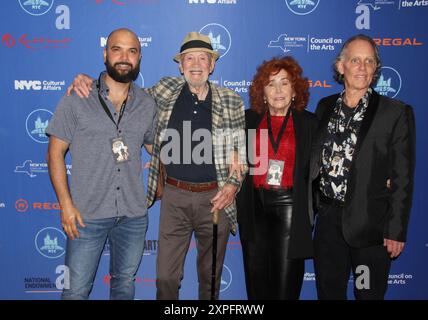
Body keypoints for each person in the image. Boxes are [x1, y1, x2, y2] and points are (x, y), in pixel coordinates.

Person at [67, 31, 247, 300]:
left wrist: (232, 186)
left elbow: (241, 153)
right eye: (189, 58)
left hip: (215, 198)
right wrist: (90, 82)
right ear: (180, 65)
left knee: (210, 280)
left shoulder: (232, 100)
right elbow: (122, 90)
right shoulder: (164, 90)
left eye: (203, 58)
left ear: (212, 65)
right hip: (174, 197)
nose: (196, 64)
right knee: (165, 279)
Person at [46, 28, 157, 300]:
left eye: (132, 51)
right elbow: (54, 153)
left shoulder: (147, 103)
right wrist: (66, 205)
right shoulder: (78, 97)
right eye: (117, 49)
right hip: (86, 215)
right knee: (75, 292)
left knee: (124, 286)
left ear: (139, 58)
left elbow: (158, 149)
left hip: (132, 215)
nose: (124, 57)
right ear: (105, 53)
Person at [310, 34, 416, 300]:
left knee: (367, 293)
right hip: (328, 225)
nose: (362, 67)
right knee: (329, 293)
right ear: (340, 66)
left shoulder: (395, 112)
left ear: (375, 69)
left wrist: (395, 230)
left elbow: (403, 177)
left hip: (370, 230)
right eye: (355, 60)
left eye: (369, 61)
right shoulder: (324, 107)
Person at [236, 56, 318, 300]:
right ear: (263, 92)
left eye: (285, 83)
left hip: (290, 207)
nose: (279, 90)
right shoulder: (247, 120)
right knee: (256, 285)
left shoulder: (310, 123)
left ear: (295, 90)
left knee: (285, 286)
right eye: (271, 84)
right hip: (254, 208)